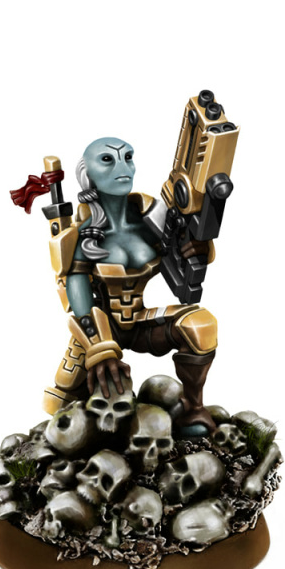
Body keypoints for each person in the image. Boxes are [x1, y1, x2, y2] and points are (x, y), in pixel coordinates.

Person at [43, 137, 218, 435]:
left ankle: (192, 410)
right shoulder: (83, 235)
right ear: (87, 174)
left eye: (128, 157)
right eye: (108, 160)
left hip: (139, 322)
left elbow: (187, 254)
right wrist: (99, 349)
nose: (122, 167)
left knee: (200, 325)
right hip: (99, 330)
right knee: (59, 405)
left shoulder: (154, 219)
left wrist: (199, 246)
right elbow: (76, 290)